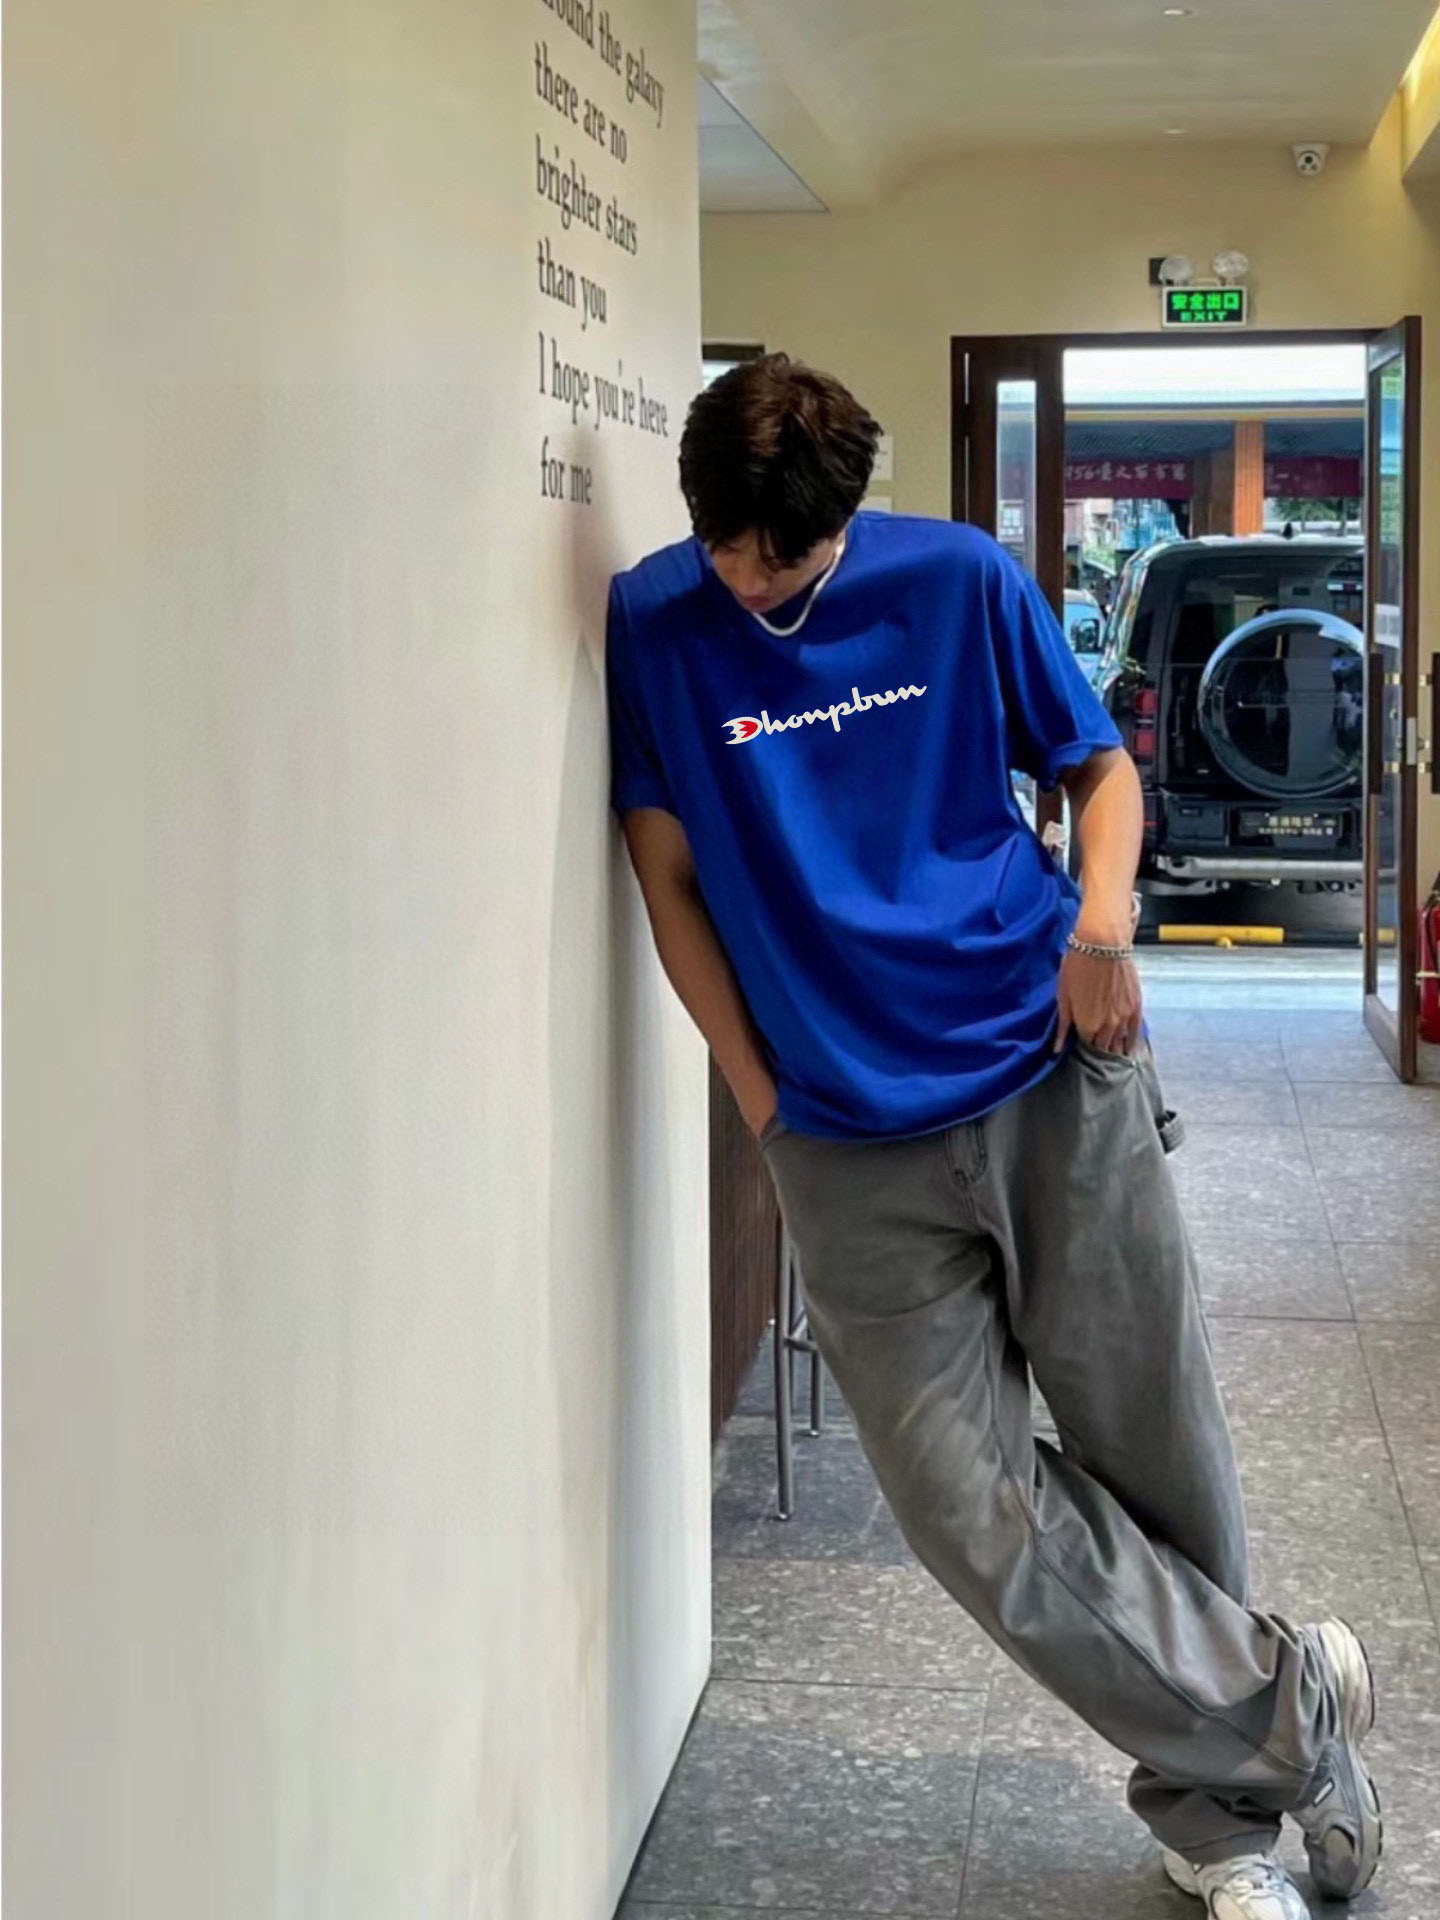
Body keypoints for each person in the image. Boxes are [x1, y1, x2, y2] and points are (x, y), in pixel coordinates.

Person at [605, 354, 1382, 1920]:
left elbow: (1100, 770)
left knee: (1155, 1455)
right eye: (727, 551)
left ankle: (1222, 1823)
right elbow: (667, 877)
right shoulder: (654, 620)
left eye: (785, 560)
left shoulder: (957, 580)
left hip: (1047, 1078)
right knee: (964, 1508)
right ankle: (1298, 1707)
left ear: (846, 518)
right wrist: (761, 1100)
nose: (751, 582)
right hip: (843, 1135)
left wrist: (1104, 930)